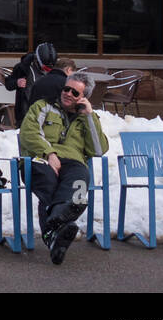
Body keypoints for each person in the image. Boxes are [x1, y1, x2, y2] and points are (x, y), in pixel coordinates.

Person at [19, 71, 109, 264]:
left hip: (73, 162)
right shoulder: (42, 106)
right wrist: (49, 153)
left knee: (81, 177)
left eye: (75, 92)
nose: (68, 93)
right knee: (49, 182)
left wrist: (89, 117)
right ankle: (60, 222)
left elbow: (99, 150)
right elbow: (28, 133)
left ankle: (53, 234)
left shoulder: (87, 118)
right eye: (66, 88)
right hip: (40, 159)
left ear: (83, 98)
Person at [4, 41, 56, 125]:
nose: (45, 71)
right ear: (37, 60)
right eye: (44, 68)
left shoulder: (55, 68)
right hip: (26, 112)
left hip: (48, 112)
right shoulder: (22, 68)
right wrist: (17, 82)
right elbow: (8, 84)